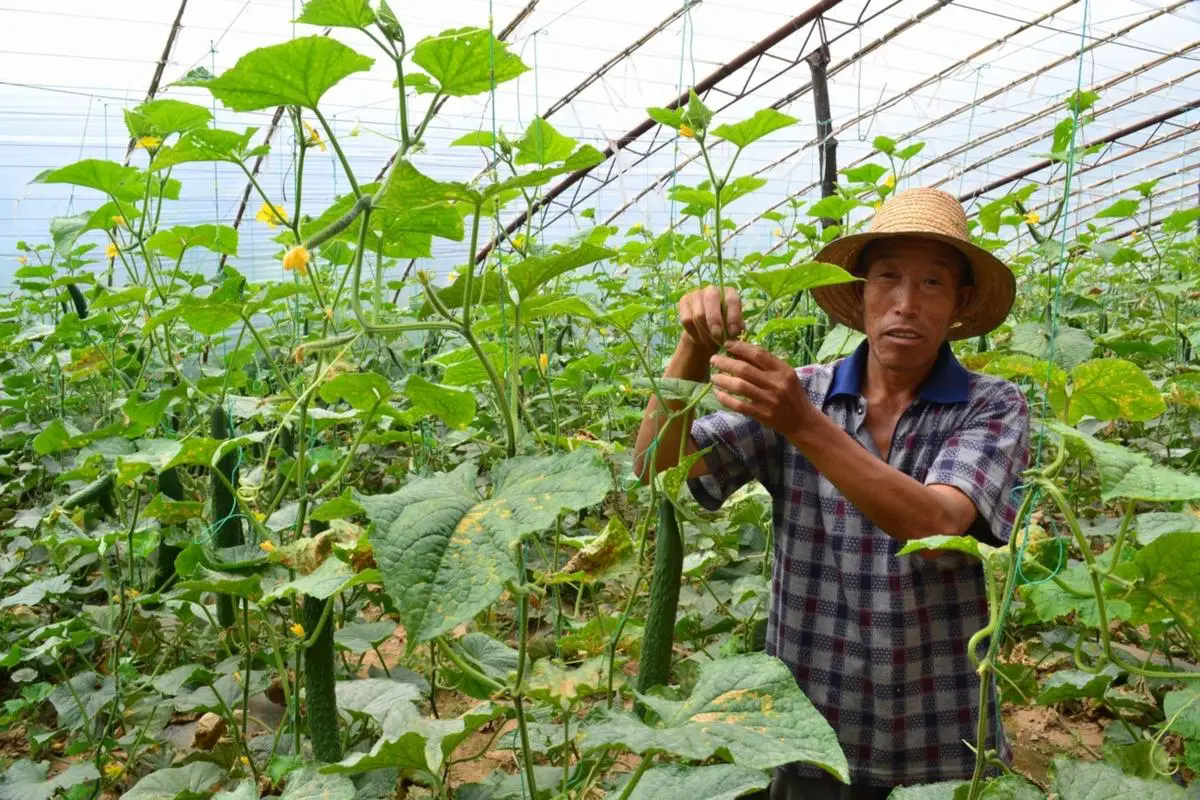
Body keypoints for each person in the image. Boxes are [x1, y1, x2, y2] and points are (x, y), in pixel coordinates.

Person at [632, 188, 1030, 799]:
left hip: (941, 738)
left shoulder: (992, 405)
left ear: (960, 303)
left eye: (931, 284)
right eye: (887, 279)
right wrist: (692, 347)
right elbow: (658, 466)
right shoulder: (800, 391)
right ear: (862, 293)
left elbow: (938, 530)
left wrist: (801, 424)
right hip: (806, 734)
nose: (905, 303)